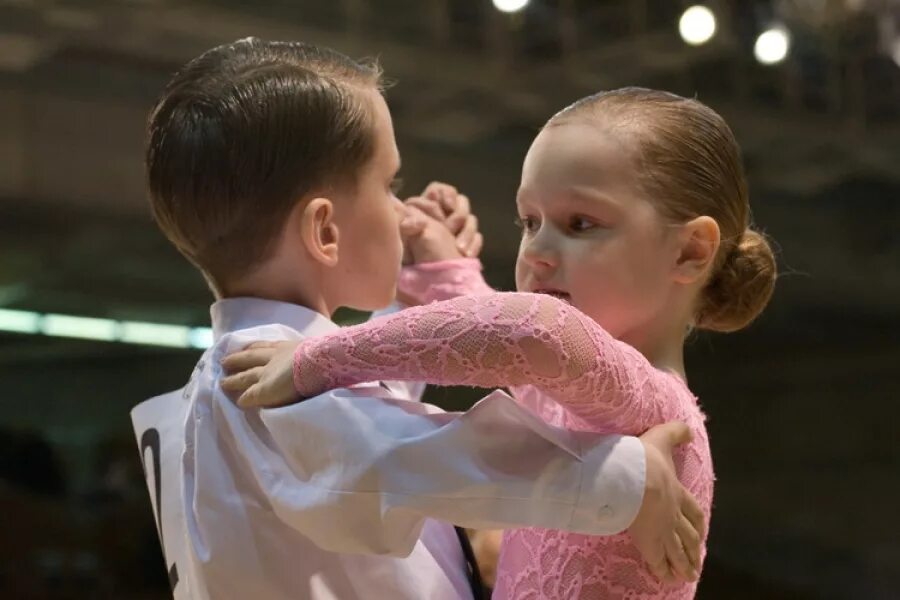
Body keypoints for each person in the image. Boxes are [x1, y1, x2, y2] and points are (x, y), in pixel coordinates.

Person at [133, 38, 703, 600]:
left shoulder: (247, 370)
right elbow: (427, 457)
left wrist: (425, 295)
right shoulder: (268, 386)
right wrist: (630, 479)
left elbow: (367, 416)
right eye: (389, 185)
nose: (402, 210)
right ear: (325, 232)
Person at [222, 87, 777, 598]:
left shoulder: (658, 409)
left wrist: (318, 358)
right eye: (529, 221)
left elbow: (531, 333)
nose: (536, 250)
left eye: (580, 223)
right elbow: (528, 357)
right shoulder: (598, 396)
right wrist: (444, 265)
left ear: (689, 252)